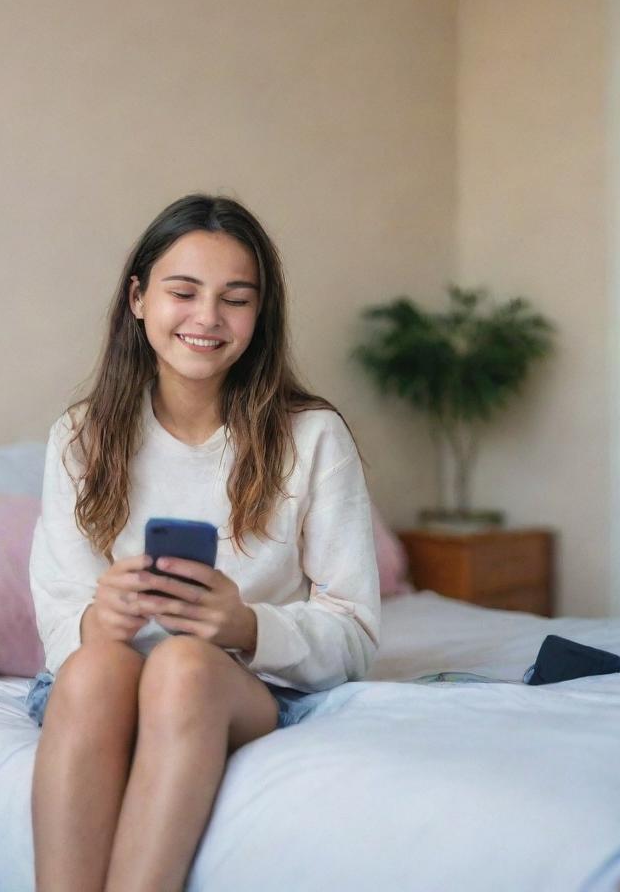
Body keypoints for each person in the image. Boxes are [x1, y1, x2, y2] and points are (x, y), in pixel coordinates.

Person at [27, 193, 380, 892]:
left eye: (236, 299)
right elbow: (61, 623)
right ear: (138, 298)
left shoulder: (312, 437)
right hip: (101, 681)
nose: (208, 318)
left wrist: (245, 625)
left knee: (185, 665)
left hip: (239, 688)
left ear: (260, 315)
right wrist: (106, 618)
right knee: (98, 668)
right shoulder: (80, 438)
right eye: (183, 292)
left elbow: (358, 638)